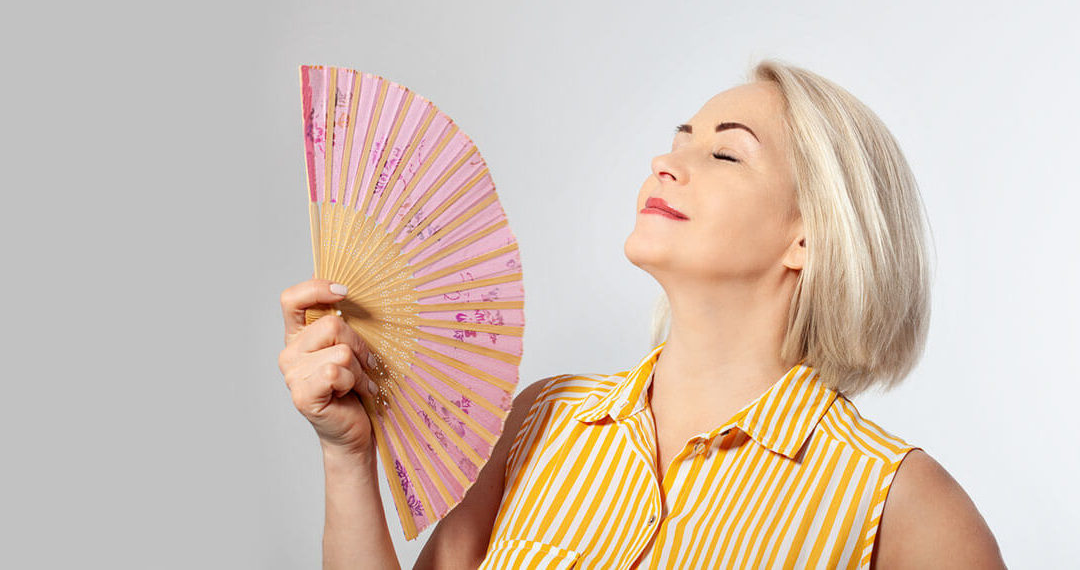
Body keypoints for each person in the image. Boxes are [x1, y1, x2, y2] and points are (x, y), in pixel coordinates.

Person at [278, 59, 1007, 569]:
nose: (666, 162)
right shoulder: (542, 419)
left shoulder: (901, 505)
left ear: (809, 233)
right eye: (678, 139)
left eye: (725, 156)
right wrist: (347, 456)